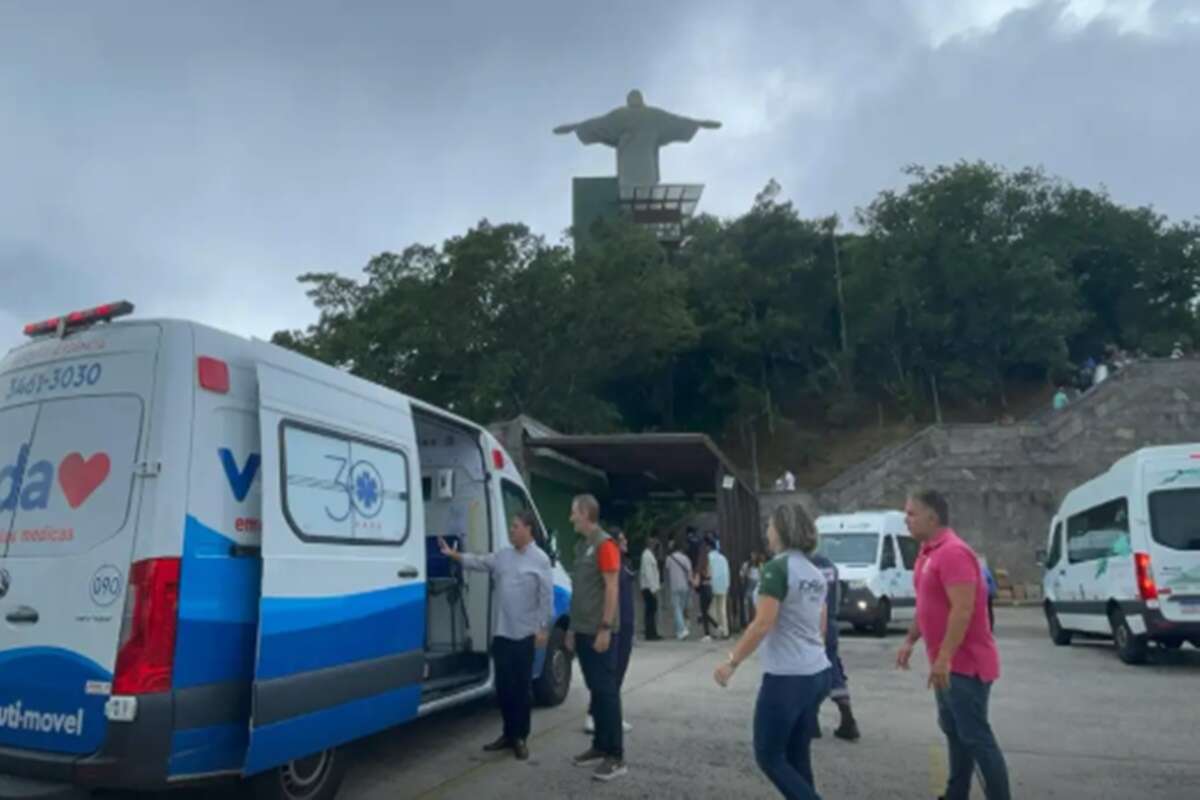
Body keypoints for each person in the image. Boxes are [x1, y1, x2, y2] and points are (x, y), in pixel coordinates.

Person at [897, 490, 1011, 800]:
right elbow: (927, 605)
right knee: (954, 731)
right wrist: (910, 640)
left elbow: (963, 610)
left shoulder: (953, 553)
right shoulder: (927, 553)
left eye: (911, 514)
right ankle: (955, 793)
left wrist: (945, 657)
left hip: (965, 665)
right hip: (945, 665)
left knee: (975, 736)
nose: (906, 520)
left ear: (932, 517)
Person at [713, 504, 832, 800]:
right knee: (797, 755)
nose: (767, 531)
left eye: (769, 525)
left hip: (786, 676)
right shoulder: (814, 572)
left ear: (781, 529)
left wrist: (732, 662)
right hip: (817, 671)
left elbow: (763, 622)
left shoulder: (777, 568)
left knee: (769, 755)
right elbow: (821, 622)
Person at [438, 510, 553, 761]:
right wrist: (453, 555)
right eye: (511, 526)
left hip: (524, 635)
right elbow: (478, 561)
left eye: (515, 526)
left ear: (528, 529)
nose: (511, 530)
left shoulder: (541, 560)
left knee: (522, 690)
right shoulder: (504, 556)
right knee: (503, 688)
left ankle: (521, 737)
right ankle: (507, 733)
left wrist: (543, 627)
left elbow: (546, 598)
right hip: (502, 634)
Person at [565, 495, 626, 782]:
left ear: (586, 513)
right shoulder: (582, 547)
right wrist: (572, 628)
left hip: (599, 632)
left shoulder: (605, 545)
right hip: (583, 630)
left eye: (574, 513)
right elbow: (581, 593)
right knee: (596, 691)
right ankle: (600, 746)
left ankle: (615, 755)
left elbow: (612, 587)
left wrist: (605, 627)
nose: (571, 518)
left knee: (606, 692)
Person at [588, 530, 637, 735]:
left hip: (627, 623)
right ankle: (593, 715)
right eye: (622, 538)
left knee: (619, 671)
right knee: (609, 673)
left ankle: (611, 717)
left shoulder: (623, 563)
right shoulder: (609, 564)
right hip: (615, 625)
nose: (626, 540)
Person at [809, 550, 860, 741]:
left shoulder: (806, 565)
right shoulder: (829, 564)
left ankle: (811, 721)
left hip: (813, 622)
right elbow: (839, 592)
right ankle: (846, 716)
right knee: (833, 668)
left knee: (812, 671)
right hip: (830, 622)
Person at [665, 538, 693, 640]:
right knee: (681, 608)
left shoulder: (669, 558)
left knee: (677, 609)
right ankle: (679, 632)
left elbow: (667, 572)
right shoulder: (686, 558)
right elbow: (690, 573)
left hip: (674, 586)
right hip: (684, 586)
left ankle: (682, 629)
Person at [707, 534, 731, 639]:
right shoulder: (723, 558)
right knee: (722, 610)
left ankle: (717, 630)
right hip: (723, 586)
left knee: (711, 610)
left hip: (712, 586)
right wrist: (727, 585)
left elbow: (709, 571)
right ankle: (725, 631)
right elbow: (727, 572)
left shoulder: (709, 557)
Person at [693, 542, 718, 643]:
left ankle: (707, 634)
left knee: (704, 613)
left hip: (703, 590)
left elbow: (696, 583)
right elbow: (710, 576)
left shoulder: (699, 567)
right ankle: (717, 626)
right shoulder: (708, 565)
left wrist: (692, 580)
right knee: (705, 613)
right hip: (710, 589)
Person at [639, 537, 662, 641]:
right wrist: (653, 589)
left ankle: (653, 632)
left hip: (650, 587)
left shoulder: (648, 555)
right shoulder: (647, 555)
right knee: (650, 611)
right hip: (648, 588)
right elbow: (648, 573)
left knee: (652, 611)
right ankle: (650, 633)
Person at [741, 551, 764, 626]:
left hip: (757, 586)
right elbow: (742, 575)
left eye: (754, 555)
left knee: (756, 604)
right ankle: (748, 621)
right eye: (752, 555)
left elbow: (762, 576)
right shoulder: (746, 564)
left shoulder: (760, 565)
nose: (753, 557)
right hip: (749, 585)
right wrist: (745, 573)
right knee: (747, 603)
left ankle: (756, 620)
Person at [981, 557, 998, 631]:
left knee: (985, 610)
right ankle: (990, 626)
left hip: (985, 593)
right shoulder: (986, 570)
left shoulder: (981, 571)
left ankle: (988, 627)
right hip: (989, 592)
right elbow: (992, 583)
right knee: (989, 609)